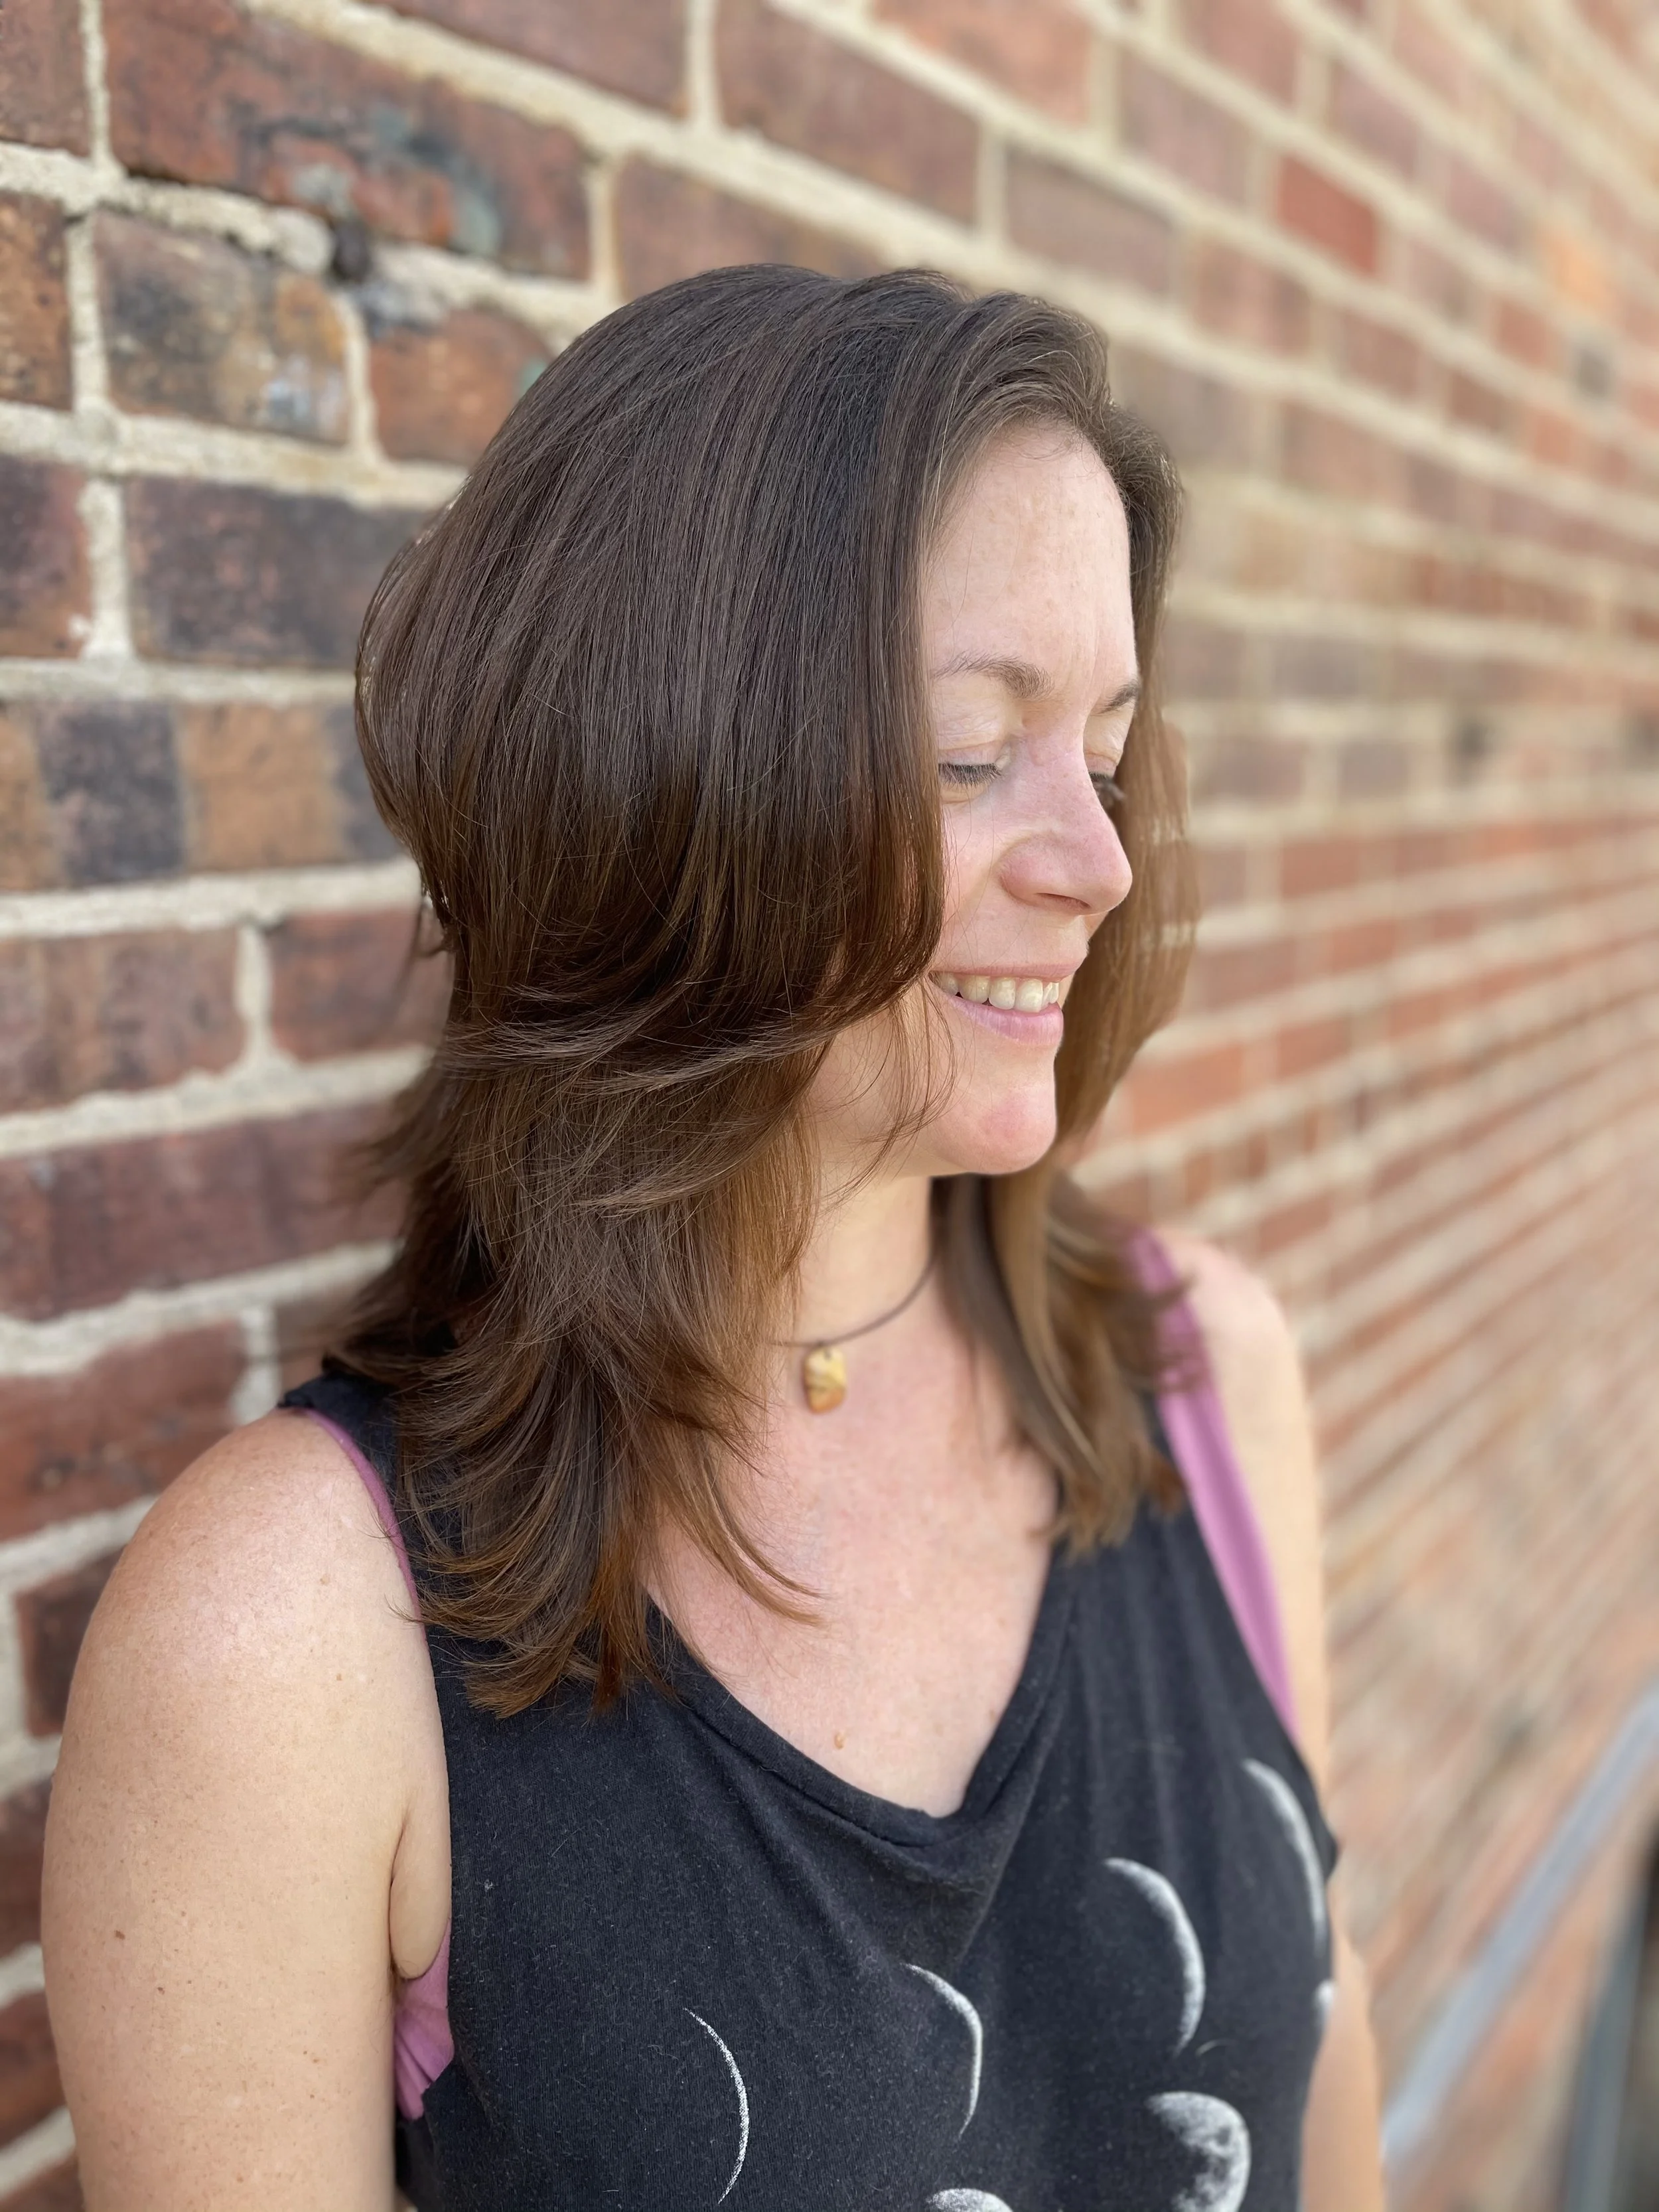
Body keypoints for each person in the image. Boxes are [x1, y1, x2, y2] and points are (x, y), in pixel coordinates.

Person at [43, 267, 1385, 2211]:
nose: (1096, 862)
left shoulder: (1197, 1383)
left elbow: (1323, 2076)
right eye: (968, 751)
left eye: (1102, 752)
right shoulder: (290, 1635)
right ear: (655, 788)